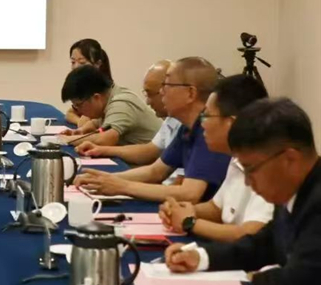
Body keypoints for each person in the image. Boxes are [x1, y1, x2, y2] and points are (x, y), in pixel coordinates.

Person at [165, 98, 321, 285]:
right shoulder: (294, 189)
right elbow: (263, 245)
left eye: (251, 169)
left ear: (289, 159)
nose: (247, 181)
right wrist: (201, 256)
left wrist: (257, 277)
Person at [75, 57, 229, 203]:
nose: (161, 92)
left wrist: (123, 186)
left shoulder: (209, 129)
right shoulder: (187, 127)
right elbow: (155, 171)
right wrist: (106, 179)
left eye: (167, 85)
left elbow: (189, 194)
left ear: (191, 93)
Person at [159, 75, 272, 242]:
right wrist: (182, 210)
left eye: (207, 116)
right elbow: (217, 209)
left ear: (231, 123)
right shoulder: (237, 158)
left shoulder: (271, 166)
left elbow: (250, 234)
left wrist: (190, 222)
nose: (202, 124)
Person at [77, 60, 182, 166]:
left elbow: (156, 171)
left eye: (151, 94)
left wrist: (71, 140)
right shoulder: (171, 120)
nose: (147, 102)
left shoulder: (121, 101)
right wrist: (101, 150)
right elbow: (149, 151)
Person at [59, 65, 161, 147]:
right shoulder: (110, 96)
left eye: (79, 105)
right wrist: (80, 131)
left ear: (96, 98)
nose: (79, 111)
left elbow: (105, 139)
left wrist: (68, 140)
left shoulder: (121, 103)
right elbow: (97, 123)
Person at [65, 39, 112, 126]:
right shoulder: (83, 86)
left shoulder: (106, 90)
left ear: (98, 64)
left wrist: (90, 123)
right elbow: (70, 113)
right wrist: (79, 121)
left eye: (82, 63)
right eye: (73, 62)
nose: (76, 67)